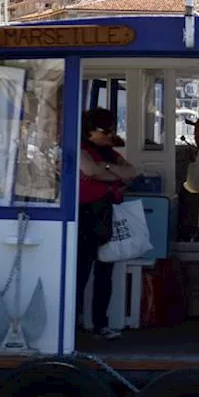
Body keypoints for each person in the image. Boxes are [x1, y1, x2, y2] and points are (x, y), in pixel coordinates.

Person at [76, 107, 138, 341]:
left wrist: (108, 170)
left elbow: (131, 172)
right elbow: (90, 170)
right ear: (89, 131)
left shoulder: (109, 154)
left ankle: (101, 324)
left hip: (105, 216)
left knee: (105, 273)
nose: (110, 134)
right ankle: (76, 323)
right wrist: (110, 174)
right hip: (84, 216)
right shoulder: (80, 147)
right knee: (80, 273)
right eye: (105, 130)